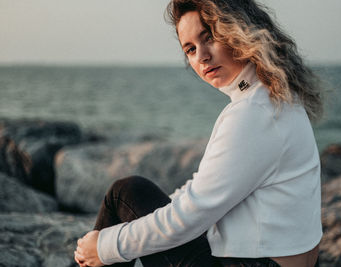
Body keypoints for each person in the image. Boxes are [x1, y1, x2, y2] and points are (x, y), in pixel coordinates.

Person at [74, 0, 324, 266]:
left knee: (123, 194)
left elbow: (191, 216)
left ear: (240, 32)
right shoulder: (276, 96)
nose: (202, 56)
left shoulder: (252, 112)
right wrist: (149, 217)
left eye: (210, 38)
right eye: (190, 49)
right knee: (135, 197)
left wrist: (104, 247)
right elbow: (200, 192)